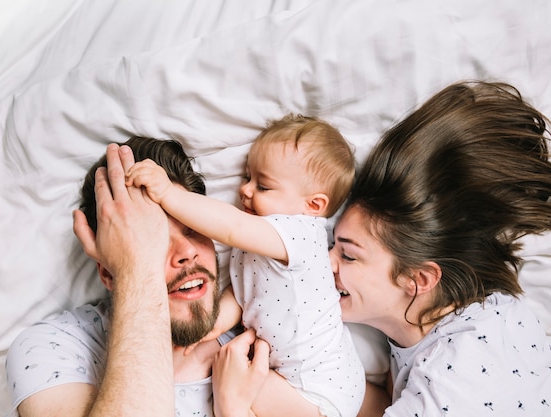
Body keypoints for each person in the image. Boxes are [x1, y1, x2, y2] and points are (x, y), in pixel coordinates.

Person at [214, 81, 551, 417]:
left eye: (347, 254)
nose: (324, 262)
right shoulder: (449, 330)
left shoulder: (469, 362)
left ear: (418, 279)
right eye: (332, 246)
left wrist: (233, 406)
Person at [128, 113, 366, 417]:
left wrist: (168, 194)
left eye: (263, 186)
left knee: (235, 382)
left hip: (320, 387)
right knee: (236, 376)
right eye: (246, 177)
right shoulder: (258, 245)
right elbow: (242, 298)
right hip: (296, 379)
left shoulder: (302, 234)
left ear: (314, 206)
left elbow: (230, 226)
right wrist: (211, 328)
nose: (246, 190)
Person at [5, 136, 229, 417]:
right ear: (109, 273)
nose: (187, 252)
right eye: (154, 239)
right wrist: (136, 268)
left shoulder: (266, 331)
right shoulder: (51, 347)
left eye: (192, 228)